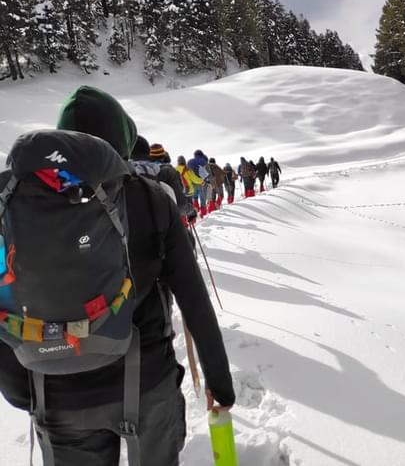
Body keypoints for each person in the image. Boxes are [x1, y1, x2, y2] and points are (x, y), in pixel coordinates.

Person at [0, 86, 236, 466]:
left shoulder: (14, 203)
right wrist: (219, 383)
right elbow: (193, 299)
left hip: (54, 392)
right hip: (147, 385)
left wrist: (17, 385)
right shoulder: (150, 197)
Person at [131, 137, 195, 223]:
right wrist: (191, 211)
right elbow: (180, 205)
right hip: (163, 222)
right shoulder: (170, 172)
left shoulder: (131, 169)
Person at [188, 150, 210, 218]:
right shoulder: (204, 162)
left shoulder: (189, 162)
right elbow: (208, 173)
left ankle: (196, 210)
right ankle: (203, 214)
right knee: (203, 198)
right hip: (202, 183)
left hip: (193, 183)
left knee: (195, 197)